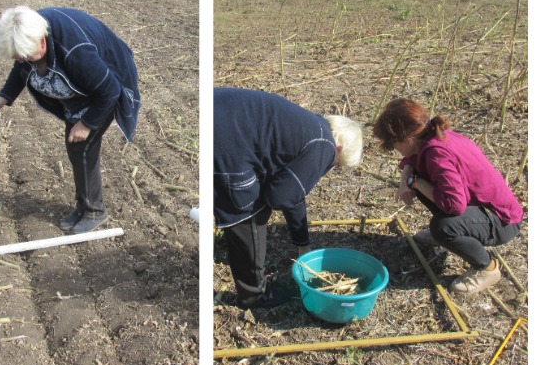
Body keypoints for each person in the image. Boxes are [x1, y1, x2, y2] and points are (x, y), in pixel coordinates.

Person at [0, 6, 141, 235]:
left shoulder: (75, 52)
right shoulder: (29, 34)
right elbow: (22, 69)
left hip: (109, 84)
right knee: (76, 148)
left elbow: (110, 91)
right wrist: (4, 96)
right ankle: (84, 207)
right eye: (19, 57)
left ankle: (94, 211)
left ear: (42, 42)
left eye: (26, 56)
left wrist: (87, 123)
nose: (23, 61)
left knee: (81, 146)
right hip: (86, 86)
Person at [213, 87, 363, 309]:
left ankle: (231, 240)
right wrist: (302, 243)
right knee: (252, 211)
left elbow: (286, 186)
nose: (332, 168)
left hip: (217, 108)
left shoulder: (311, 125)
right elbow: (281, 196)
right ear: (339, 147)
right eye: (338, 165)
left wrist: (301, 241)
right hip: (226, 143)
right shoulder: (324, 145)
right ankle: (256, 295)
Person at [372, 98, 523, 295]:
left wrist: (415, 183)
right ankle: (448, 234)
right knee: (419, 180)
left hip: (500, 220)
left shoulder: (437, 153)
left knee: (443, 227)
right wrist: (406, 183)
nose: (394, 150)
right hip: (480, 208)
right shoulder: (431, 138)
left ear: (407, 138)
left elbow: (454, 205)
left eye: (393, 144)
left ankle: (487, 268)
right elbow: (410, 162)